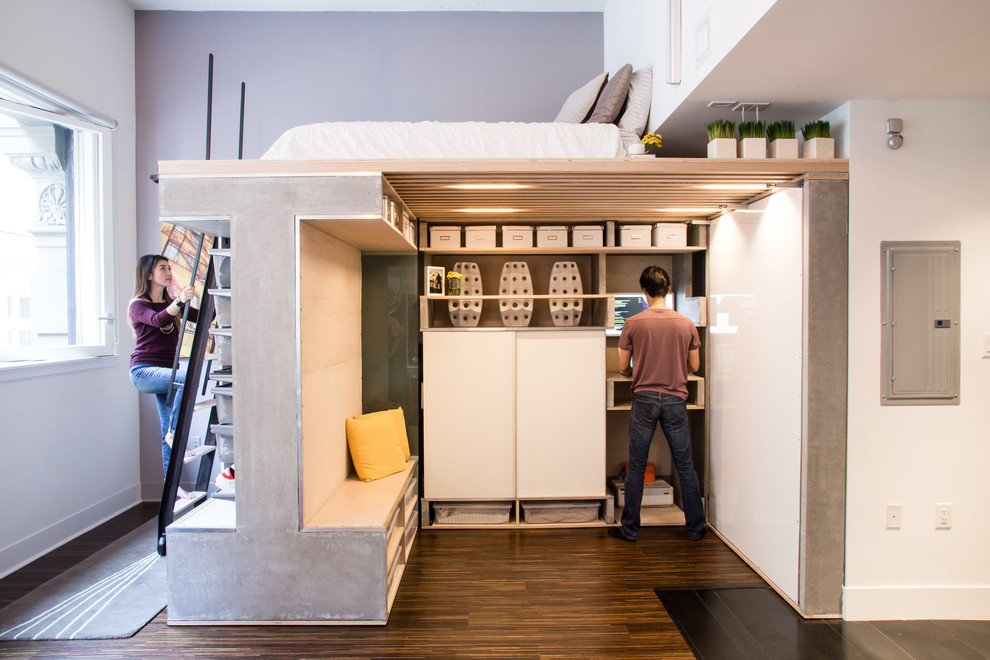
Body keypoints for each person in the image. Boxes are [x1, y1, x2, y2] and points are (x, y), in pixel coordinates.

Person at [610, 265, 705, 542]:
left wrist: (635, 370)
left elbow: (622, 367)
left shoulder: (633, 323)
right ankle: (696, 529)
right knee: (685, 466)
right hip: (676, 399)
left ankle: (629, 530)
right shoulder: (686, 324)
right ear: (668, 290)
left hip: (644, 400)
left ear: (644, 292)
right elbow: (694, 366)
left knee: (637, 466)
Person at [128, 254, 199, 479]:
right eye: (162, 268)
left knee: (165, 436)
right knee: (187, 376)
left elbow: (207, 316)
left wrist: (205, 297)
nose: (169, 272)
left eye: (169, 268)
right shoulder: (137, 305)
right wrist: (179, 301)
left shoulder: (170, 304)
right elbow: (158, 320)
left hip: (167, 374)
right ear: (149, 275)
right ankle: (174, 431)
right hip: (144, 372)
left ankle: (174, 490)